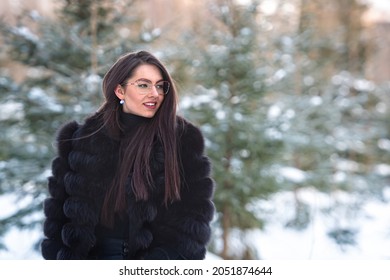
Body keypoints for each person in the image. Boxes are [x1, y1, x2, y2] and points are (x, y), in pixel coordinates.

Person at [41, 50, 215, 260]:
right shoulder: (80, 140)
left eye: (160, 85)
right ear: (120, 91)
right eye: (143, 85)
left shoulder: (181, 140)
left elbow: (193, 220)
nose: (155, 93)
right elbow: (57, 220)